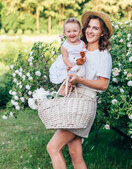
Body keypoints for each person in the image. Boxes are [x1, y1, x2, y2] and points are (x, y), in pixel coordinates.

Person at [47, 11, 113, 169]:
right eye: (88, 27)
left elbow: (103, 85)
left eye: (95, 28)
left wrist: (80, 80)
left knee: (53, 147)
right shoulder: (79, 50)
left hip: (84, 105)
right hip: (73, 101)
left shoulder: (103, 55)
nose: (90, 31)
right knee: (75, 154)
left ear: (102, 32)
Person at [49, 17, 85, 85]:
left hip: (78, 63)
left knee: (78, 79)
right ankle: (65, 90)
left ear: (80, 32)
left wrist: (83, 60)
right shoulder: (65, 46)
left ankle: (73, 88)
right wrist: (70, 65)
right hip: (67, 65)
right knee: (67, 80)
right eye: (69, 31)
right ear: (64, 33)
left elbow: (84, 54)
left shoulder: (82, 44)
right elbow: (65, 58)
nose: (72, 33)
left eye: (75, 31)